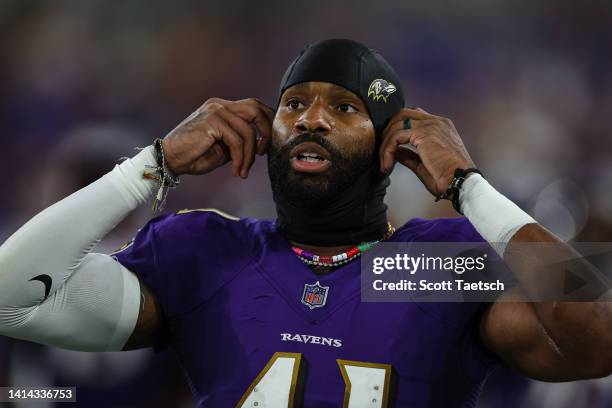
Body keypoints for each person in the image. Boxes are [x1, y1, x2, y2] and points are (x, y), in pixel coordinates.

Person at [1, 39, 611, 407]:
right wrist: (149, 166)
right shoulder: (208, 249)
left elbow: (598, 333)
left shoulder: (436, 264)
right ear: (268, 133)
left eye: (344, 107)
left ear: (390, 146)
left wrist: (468, 187)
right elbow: (10, 300)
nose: (312, 118)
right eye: (294, 103)